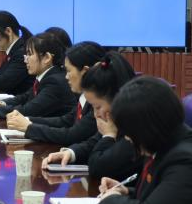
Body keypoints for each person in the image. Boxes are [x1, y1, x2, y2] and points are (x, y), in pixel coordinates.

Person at [41, 51, 139, 183]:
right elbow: (93, 142)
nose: (95, 114)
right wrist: (71, 153)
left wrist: (109, 136)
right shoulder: (115, 117)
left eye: (97, 107)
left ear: (117, 99)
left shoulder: (136, 128)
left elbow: (97, 167)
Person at [5, 41, 104, 146]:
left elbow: (72, 135)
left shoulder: (100, 102)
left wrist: (29, 127)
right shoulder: (84, 96)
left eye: (69, 71)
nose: (66, 77)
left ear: (85, 71)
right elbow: (65, 121)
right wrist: (26, 120)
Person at [0, 31, 77, 119]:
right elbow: (24, 97)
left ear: (47, 58)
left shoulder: (55, 82)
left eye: (29, 54)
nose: (25, 60)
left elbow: (28, 111)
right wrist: (2, 103)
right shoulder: (47, 76)